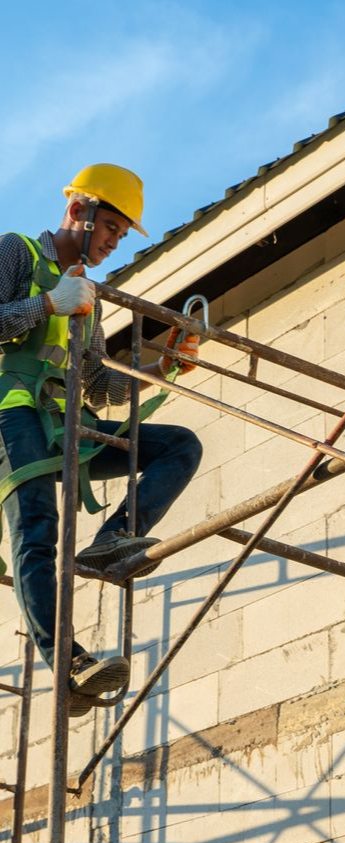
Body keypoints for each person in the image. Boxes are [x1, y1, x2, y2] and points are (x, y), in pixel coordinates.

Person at [0, 164, 202, 715]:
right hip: (13, 413)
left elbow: (98, 381)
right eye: (110, 227)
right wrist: (46, 304)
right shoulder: (16, 252)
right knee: (37, 536)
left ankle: (113, 540)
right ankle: (70, 664)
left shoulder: (90, 294)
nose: (114, 242)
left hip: (70, 424)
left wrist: (166, 367)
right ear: (78, 212)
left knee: (179, 445)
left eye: (120, 233)